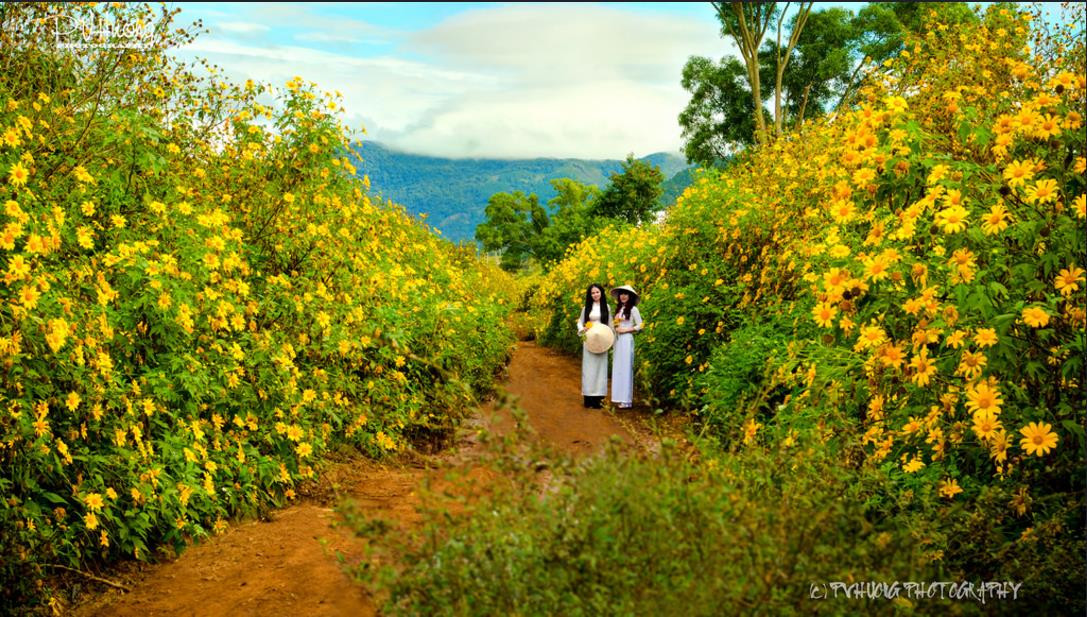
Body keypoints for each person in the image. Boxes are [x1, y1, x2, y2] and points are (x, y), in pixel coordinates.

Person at [577, 283, 610, 408]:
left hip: (602, 340)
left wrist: (611, 339)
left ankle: (599, 399)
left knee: (601, 369)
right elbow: (580, 322)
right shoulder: (586, 308)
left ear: (601, 293)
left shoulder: (606, 307)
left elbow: (610, 324)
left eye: (597, 292)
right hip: (590, 340)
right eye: (593, 293)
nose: (595, 294)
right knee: (589, 368)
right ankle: (588, 398)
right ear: (590, 295)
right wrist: (583, 329)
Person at [610, 285, 643, 409]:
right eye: (621, 294)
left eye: (626, 294)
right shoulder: (619, 309)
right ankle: (619, 397)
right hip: (618, 341)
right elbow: (616, 324)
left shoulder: (634, 309)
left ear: (630, 296)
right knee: (619, 367)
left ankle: (627, 400)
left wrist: (627, 330)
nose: (623, 296)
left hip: (627, 339)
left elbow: (640, 325)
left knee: (626, 367)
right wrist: (616, 327)